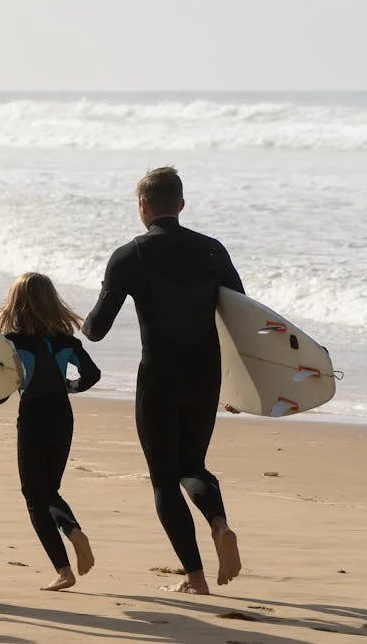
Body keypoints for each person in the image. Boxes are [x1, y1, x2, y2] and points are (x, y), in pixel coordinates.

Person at [82, 167, 244, 594]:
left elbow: (97, 328)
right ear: (182, 205)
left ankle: (195, 577)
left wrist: (80, 321)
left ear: (142, 206)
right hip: (205, 374)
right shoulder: (212, 250)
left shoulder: (130, 256)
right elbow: (241, 315)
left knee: (162, 478)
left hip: (159, 376)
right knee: (193, 466)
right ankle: (220, 523)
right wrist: (243, 383)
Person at [0, 273, 101, 591]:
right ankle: (74, 532)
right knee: (50, 490)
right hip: (62, 418)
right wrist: (69, 386)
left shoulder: (11, 344)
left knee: (33, 497)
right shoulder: (67, 341)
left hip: (33, 418)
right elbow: (92, 374)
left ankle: (64, 569)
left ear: (15, 305)